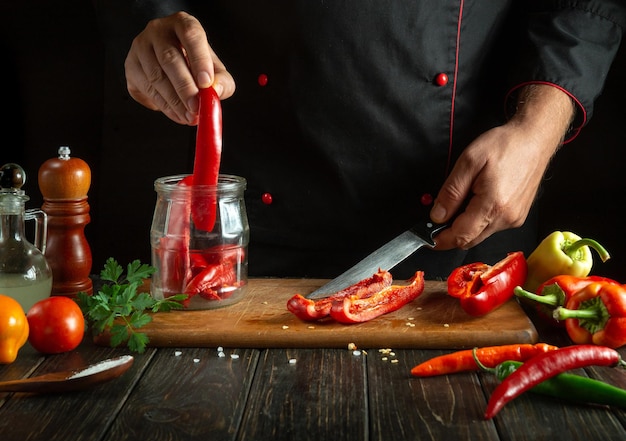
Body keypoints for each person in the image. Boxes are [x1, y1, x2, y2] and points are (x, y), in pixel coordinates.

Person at [94, 1, 625, 280]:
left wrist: (536, 130)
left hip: (456, 233)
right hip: (252, 237)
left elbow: (583, 5)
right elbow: (149, 13)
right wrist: (148, 22)